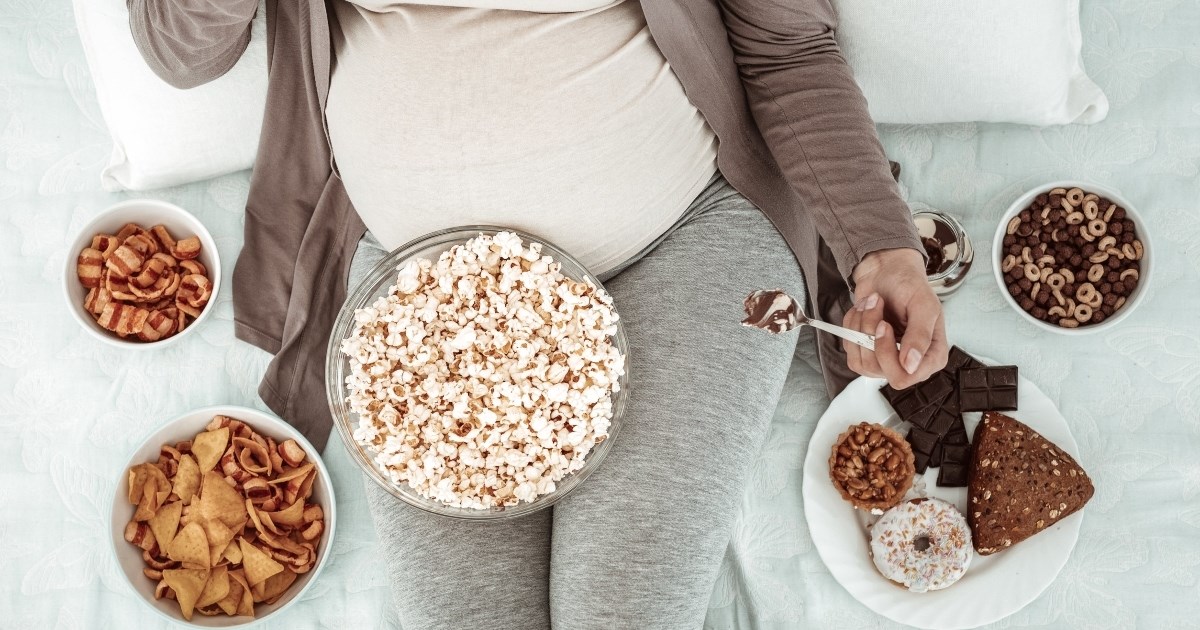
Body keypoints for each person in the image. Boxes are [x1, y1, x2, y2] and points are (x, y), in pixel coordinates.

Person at [129, 1, 949, 627]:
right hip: (426, 299)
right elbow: (179, 51)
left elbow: (790, 44)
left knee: (625, 612)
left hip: (683, 241)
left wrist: (883, 247)